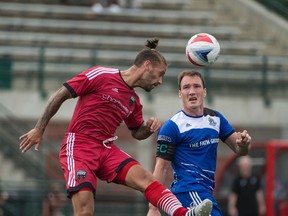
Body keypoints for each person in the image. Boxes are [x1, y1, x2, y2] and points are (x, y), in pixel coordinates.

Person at [19, 39, 211, 216]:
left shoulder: (134, 101)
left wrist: (148, 129)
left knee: (148, 180)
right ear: (147, 66)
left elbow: (136, 132)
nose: (160, 81)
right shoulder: (101, 75)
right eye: (160, 74)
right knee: (85, 211)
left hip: (107, 149)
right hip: (79, 147)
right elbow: (61, 93)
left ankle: (185, 214)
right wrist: (39, 128)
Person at [147, 70, 252, 216]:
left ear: (204, 91)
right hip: (188, 192)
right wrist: (153, 208)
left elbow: (240, 149)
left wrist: (244, 144)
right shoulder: (172, 126)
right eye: (186, 87)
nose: (191, 91)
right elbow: (161, 168)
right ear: (180, 93)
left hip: (205, 192)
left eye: (196, 86)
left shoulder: (216, 119)